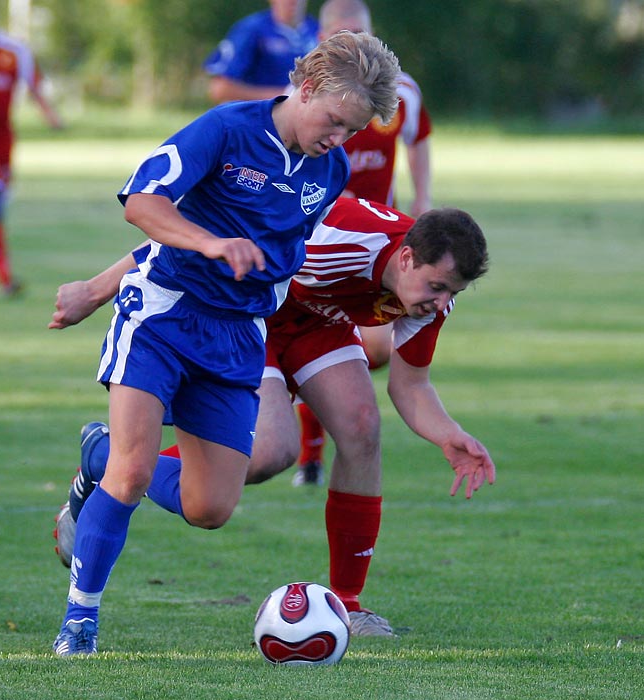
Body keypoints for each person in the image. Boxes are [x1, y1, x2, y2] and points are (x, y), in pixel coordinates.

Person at [49, 30, 400, 657]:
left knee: (209, 508)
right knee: (133, 475)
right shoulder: (225, 130)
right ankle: (80, 623)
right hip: (163, 314)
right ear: (307, 87)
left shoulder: (330, 168)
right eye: (336, 121)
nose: (339, 138)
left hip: (240, 338)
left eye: (352, 130)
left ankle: (97, 458)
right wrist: (131, 277)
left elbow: (290, 256)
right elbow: (143, 205)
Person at [51, 196, 496, 639]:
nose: (441, 302)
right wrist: (96, 288)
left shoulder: (430, 296)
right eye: (437, 288)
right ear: (406, 257)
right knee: (269, 452)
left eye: (452, 293)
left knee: (362, 426)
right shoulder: (335, 238)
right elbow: (191, 236)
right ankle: (108, 458)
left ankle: (348, 605)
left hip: (316, 327)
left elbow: (411, 386)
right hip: (248, 321)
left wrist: (448, 435)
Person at [294, 0, 435, 486]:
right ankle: (307, 451)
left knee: (368, 352)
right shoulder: (307, 98)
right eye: (345, 34)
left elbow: (417, 140)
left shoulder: (401, 94)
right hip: (321, 235)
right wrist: (333, 199)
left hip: (386, 246)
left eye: (363, 33)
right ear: (324, 38)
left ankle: (310, 440)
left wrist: (424, 201)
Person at [0, 0, 62, 297]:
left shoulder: (12, 50)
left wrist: (52, 117)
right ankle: (6, 280)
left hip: (2, 142)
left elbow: (35, 85)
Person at [203, 0, 318, 104]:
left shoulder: (319, 31)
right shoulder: (251, 30)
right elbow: (220, 89)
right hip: (261, 119)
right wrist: (283, 96)